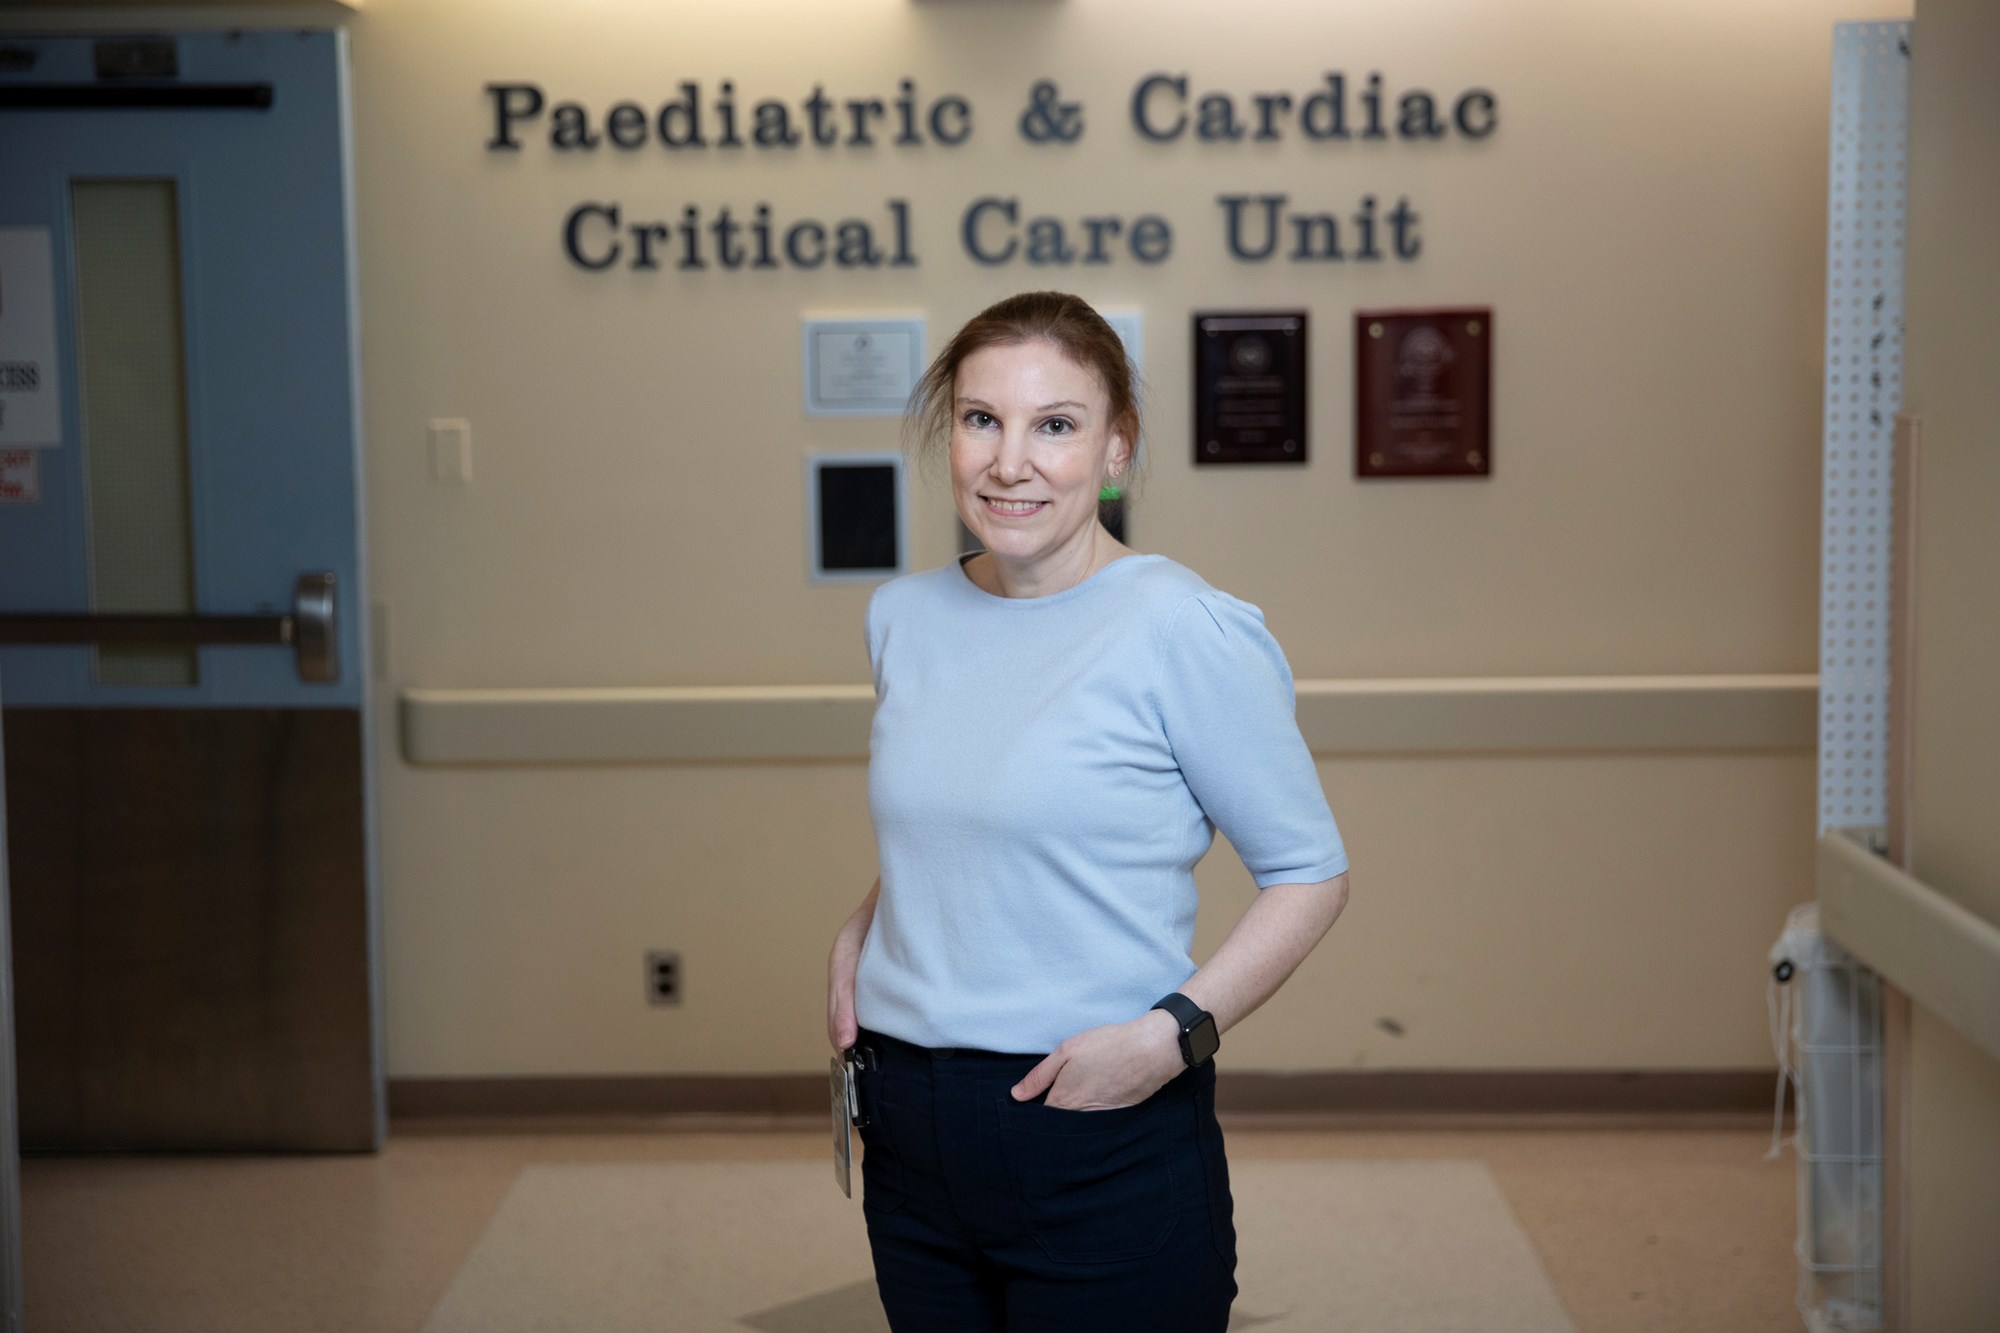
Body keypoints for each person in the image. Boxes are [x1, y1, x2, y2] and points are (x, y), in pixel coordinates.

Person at [824, 290, 1350, 1332]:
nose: (1009, 461)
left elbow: (1308, 872)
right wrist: (862, 929)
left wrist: (1172, 1036)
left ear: (1116, 448)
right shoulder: (904, 617)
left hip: (1098, 1119)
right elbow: (964, 820)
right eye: (981, 419)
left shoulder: (1181, 627)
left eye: (1053, 425)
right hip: (909, 1124)